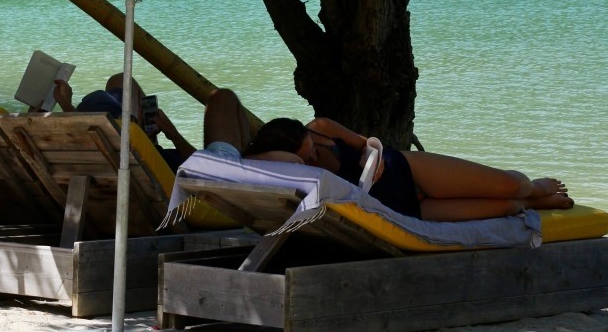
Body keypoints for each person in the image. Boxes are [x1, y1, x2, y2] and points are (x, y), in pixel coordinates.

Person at [196, 90, 574, 222]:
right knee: (508, 207)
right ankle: (534, 205)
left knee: (514, 185)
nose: (311, 161)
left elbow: (371, 142)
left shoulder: (323, 128)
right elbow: (270, 160)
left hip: (404, 171)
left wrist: (367, 159)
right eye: (305, 158)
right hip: (402, 210)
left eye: (310, 151)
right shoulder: (284, 165)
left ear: (310, 135)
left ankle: (535, 189)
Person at [53, 72, 194, 170]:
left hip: (127, 154)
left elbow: (83, 127)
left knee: (120, 80)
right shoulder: (167, 161)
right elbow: (208, 171)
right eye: (127, 118)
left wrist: (67, 107)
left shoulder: (84, 154)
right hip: (150, 160)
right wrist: (172, 133)